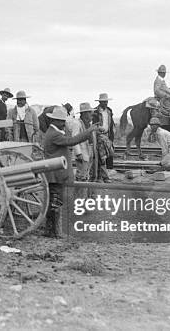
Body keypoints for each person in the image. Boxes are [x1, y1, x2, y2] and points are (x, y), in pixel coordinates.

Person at [43, 107, 98, 238]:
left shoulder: (54, 131)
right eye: (62, 121)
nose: (64, 123)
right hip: (56, 175)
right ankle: (54, 232)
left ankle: (51, 230)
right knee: (56, 202)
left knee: (54, 202)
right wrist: (89, 131)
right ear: (54, 120)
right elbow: (72, 141)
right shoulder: (54, 134)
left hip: (56, 174)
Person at [92, 93, 115, 182]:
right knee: (101, 156)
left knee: (105, 156)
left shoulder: (109, 111)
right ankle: (103, 177)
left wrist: (111, 136)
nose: (106, 103)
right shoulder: (95, 112)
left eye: (106, 101)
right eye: (104, 102)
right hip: (98, 136)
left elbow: (111, 124)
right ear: (100, 102)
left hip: (107, 135)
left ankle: (100, 176)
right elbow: (94, 125)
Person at [72, 103, 95, 181]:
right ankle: (80, 191)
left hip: (88, 152)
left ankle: (83, 191)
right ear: (84, 113)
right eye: (89, 112)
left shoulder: (88, 124)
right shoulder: (77, 123)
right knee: (81, 174)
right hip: (82, 153)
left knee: (86, 173)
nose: (91, 114)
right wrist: (78, 153)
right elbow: (74, 139)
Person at [153, 64, 170, 132]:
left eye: (164, 73)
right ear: (160, 73)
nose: (164, 74)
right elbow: (156, 91)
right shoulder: (158, 80)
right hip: (162, 99)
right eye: (163, 73)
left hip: (164, 98)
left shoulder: (161, 80)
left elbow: (163, 90)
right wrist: (166, 95)